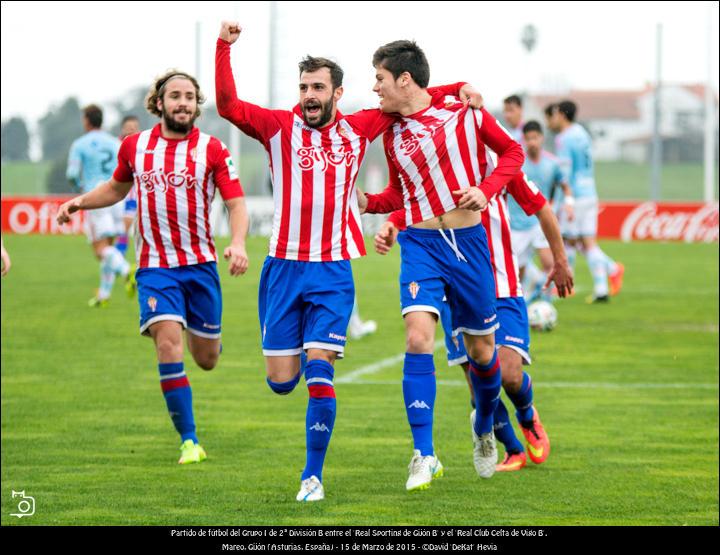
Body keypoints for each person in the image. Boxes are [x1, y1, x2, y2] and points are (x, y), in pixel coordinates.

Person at [215, 21, 480, 502]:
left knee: (320, 372)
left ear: (338, 92)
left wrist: (455, 89)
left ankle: (311, 477)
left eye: (318, 87)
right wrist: (224, 48)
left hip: (333, 271)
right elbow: (229, 107)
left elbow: (408, 97)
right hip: (281, 268)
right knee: (281, 382)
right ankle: (294, 370)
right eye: (303, 87)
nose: (309, 95)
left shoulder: (360, 127)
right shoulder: (277, 127)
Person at [57, 70, 250, 465]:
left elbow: (235, 203)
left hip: (200, 267)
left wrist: (238, 242)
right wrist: (79, 202)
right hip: (155, 268)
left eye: (190, 97)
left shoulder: (213, 149)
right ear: (158, 103)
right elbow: (115, 188)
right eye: (175, 96)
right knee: (167, 343)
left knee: (207, 360)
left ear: (198, 105)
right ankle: (189, 441)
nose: (182, 103)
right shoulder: (135, 146)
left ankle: (206, 338)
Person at [358, 40, 526, 489]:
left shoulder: (465, 112)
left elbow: (513, 153)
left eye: (379, 78)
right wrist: (369, 203)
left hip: (471, 244)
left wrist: (486, 190)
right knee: (417, 338)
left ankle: (484, 426)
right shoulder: (390, 132)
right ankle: (424, 453)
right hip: (420, 245)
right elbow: (399, 193)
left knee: (482, 353)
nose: (374, 88)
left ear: (404, 79)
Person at [378, 168, 573, 473]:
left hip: (501, 286)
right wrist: (391, 222)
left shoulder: (500, 168)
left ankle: (526, 413)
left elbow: (541, 207)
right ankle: (513, 448)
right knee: (477, 382)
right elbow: (413, 207)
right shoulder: (439, 165)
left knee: (508, 374)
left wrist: (560, 260)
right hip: (453, 290)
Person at [545, 101, 624, 302]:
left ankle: (568, 284)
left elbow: (565, 172)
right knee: (586, 243)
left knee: (569, 241)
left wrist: (564, 200)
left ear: (562, 115)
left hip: (576, 197)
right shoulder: (582, 133)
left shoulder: (565, 138)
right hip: (589, 191)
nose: (552, 119)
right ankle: (602, 286)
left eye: (554, 114)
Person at [66, 104, 130, 306]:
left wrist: (81, 189)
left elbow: (72, 174)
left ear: (86, 120)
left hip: (96, 197)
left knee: (99, 250)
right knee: (109, 247)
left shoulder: (80, 144)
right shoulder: (114, 143)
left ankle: (127, 270)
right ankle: (104, 295)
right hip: (116, 196)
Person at [509, 121, 574, 303]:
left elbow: (565, 186)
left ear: (542, 138)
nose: (532, 142)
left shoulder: (552, 163)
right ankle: (523, 304)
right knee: (517, 275)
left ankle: (546, 305)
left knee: (550, 264)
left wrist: (569, 203)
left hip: (540, 223)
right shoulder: (517, 162)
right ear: (523, 139)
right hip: (516, 224)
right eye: (528, 138)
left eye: (535, 138)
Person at [115, 115, 141, 258]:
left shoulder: (142, 146)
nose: (131, 131)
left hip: (133, 194)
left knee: (125, 226)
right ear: (122, 129)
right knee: (118, 230)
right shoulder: (114, 145)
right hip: (115, 193)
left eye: (134, 128)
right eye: (128, 128)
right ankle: (117, 261)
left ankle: (119, 257)